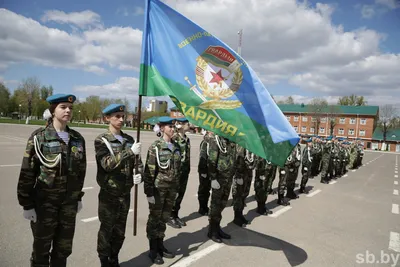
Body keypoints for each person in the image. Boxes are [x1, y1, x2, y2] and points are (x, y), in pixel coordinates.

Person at [17, 94, 87, 267]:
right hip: (44, 205)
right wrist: (26, 204)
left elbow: (81, 173)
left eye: (70, 108)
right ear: (53, 110)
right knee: (41, 251)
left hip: (68, 206)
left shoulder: (77, 139)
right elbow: (27, 171)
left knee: (62, 252)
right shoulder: (39, 137)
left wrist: (78, 197)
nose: (68, 110)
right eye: (63, 107)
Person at [94, 104, 143, 267]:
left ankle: (114, 257)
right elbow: (106, 164)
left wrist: (139, 175)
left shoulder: (130, 140)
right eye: (117, 116)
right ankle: (104, 260)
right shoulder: (102, 140)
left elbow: (138, 163)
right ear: (107, 118)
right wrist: (130, 152)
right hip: (109, 193)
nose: (121, 119)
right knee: (107, 229)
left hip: (125, 193)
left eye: (123, 116)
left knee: (120, 231)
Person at [143, 117, 182, 265]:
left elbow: (178, 171)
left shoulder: (177, 147)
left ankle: (160, 244)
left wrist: (177, 188)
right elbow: (149, 171)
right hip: (158, 190)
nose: (172, 129)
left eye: (173, 126)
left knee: (164, 218)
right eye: (169, 127)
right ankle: (153, 249)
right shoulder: (156, 147)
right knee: (155, 219)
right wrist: (149, 193)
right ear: (162, 129)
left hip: (171, 190)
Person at [207, 134, 236, 243]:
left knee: (223, 203)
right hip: (218, 179)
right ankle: (212, 230)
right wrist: (213, 178)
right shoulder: (216, 140)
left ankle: (217, 227)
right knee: (215, 204)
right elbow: (212, 160)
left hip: (228, 178)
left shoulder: (231, 141)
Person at [168, 117, 191, 228]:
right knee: (174, 194)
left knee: (181, 194)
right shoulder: (175, 138)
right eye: (187, 123)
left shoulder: (186, 138)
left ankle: (176, 214)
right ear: (181, 124)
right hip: (177, 172)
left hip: (184, 172)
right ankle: (170, 216)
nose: (189, 125)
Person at [197, 130, 212, 215]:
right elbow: (203, 156)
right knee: (203, 189)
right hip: (204, 170)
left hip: (209, 170)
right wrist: (203, 171)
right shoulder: (205, 142)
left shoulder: (211, 141)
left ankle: (205, 206)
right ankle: (202, 208)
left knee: (207, 189)